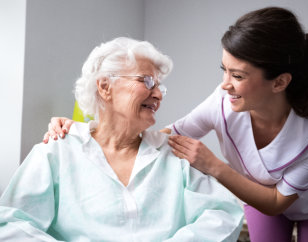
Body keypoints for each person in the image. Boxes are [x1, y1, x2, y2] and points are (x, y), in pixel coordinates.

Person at [44, 7, 308, 242]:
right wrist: (89, 131)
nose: (225, 85)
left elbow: (276, 202)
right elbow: (167, 137)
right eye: (224, 70)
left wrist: (213, 165)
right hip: (258, 196)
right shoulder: (222, 101)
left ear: (279, 82)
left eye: (238, 76)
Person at [0, 37, 244, 241]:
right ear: (105, 87)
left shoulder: (173, 155)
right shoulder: (56, 152)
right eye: (146, 81)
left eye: (160, 86)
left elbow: (224, 214)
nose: (158, 94)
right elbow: (11, 224)